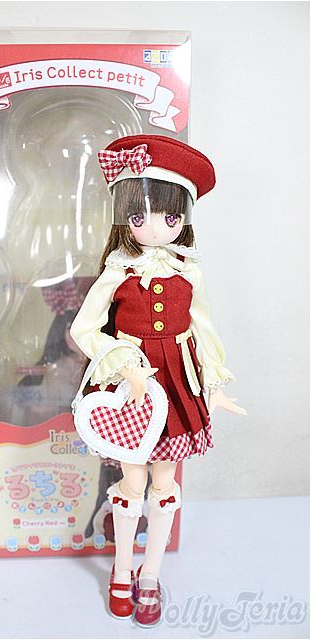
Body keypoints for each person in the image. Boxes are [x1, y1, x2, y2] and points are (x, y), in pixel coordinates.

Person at [70, 134, 246, 627]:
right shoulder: (118, 271)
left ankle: (151, 573)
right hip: (133, 385)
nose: (154, 227)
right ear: (124, 218)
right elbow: (84, 328)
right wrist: (123, 361)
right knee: (132, 478)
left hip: (177, 382)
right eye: (139, 216)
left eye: (170, 217)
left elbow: (204, 330)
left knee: (164, 480)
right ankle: (122, 569)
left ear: (184, 218)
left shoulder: (189, 272)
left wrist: (214, 384)